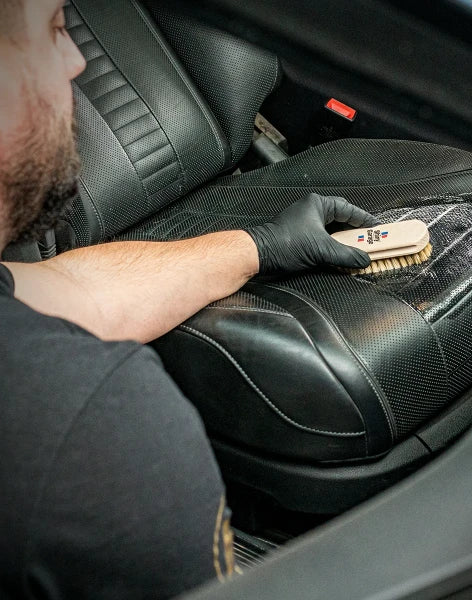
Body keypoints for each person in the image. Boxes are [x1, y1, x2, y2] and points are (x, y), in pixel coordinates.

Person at [0, 0, 376, 598]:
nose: (77, 60)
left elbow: (66, 292)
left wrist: (257, 246)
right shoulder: (89, 433)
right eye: (52, 31)